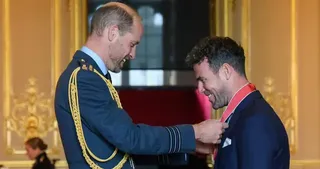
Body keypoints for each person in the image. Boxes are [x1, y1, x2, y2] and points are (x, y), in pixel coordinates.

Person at [54, 2, 228, 169]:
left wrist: (190, 145)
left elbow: (119, 152)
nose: (133, 54)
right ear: (113, 33)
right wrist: (195, 132)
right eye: (132, 44)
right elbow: (130, 138)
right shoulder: (85, 78)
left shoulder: (90, 75)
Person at [185, 36, 290, 169]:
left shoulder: (255, 121)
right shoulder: (244, 114)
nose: (200, 89)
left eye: (203, 80)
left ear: (226, 71)